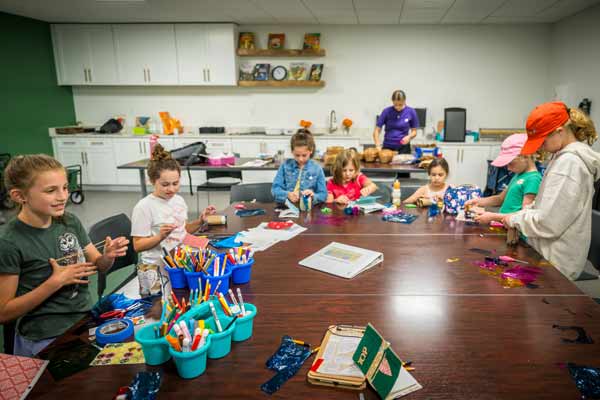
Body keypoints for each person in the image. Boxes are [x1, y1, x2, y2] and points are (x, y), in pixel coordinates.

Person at [0, 154, 129, 357]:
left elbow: (99, 265)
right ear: (19, 196)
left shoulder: (69, 221)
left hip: (83, 322)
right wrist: (55, 282)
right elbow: (4, 312)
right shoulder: (9, 242)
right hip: (45, 338)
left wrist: (108, 256)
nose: (62, 196)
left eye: (65, 187)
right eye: (51, 190)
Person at [502, 102, 600, 280]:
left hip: (555, 264)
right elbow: (545, 204)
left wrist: (514, 219)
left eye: (542, 141)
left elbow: (548, 222)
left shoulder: (570, 164)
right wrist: (523, 214)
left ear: (560, 131)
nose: (540, 147)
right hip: (546, 254)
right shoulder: (561, 157)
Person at [131, 144, 216, 275]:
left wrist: (200, 222)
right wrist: (160, 236)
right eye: (165, 185)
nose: (171, 189)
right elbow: (138, 245)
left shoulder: (178, 200)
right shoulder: (144, 207)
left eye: (175, 183)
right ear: (152, 181)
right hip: (156, 267)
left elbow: (182, 231)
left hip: (180, 260)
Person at [467, 134, 541, 224]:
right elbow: (500, 199)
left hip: (515, 231)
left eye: (511, 163)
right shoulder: (518, 175)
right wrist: (478, 202)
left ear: (525, 155)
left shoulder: (533, 179)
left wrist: (492, 216)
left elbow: (525, 215)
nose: (508, 168)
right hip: (506, 224)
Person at [271, 129, 327, 204]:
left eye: (304, 155)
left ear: (311, 150)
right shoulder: (284, 166)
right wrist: (287, 194)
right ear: (292, 151)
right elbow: (275, 189)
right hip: (287, 208)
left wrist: (313, 195)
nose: (300, 159)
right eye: (297, 155)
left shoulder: (317, 169)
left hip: (308, 208)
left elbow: (323, 195)